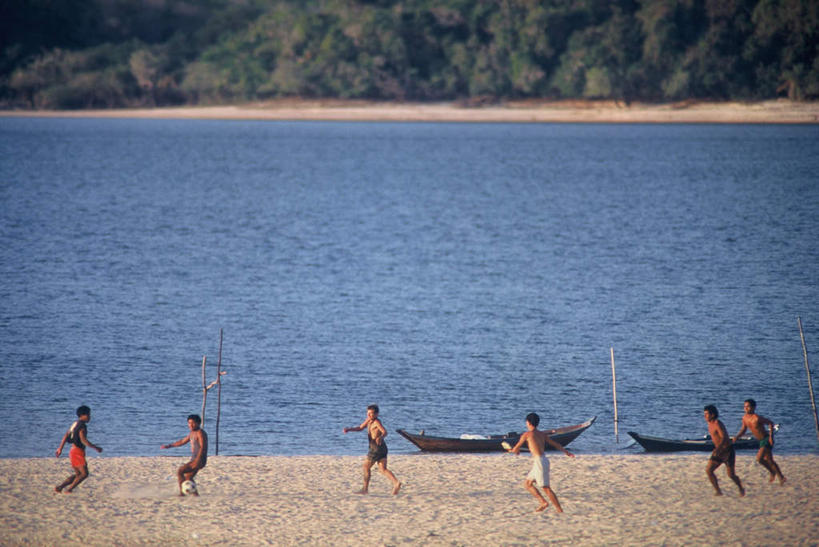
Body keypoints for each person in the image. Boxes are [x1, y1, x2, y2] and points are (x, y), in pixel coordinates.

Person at [506, 412, 575, 513]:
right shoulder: (542, 434)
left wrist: (513, 451)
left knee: (546, 488)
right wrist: (566, 452)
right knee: (527, 484)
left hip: (540, 462)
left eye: (526, 421)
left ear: (528, 422)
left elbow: (516, 449)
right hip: (542, 461)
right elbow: (555, 444)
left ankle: (559, 510)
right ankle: (543, 502)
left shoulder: (526, 435)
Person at [343, 404, 402, 495]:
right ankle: (396, 483)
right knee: (382, 469)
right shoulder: (368, 420)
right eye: (368, 413)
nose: (369, 415)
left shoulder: (377, 422)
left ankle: (365, 489)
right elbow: (360, 428)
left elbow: (385, 432)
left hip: (376, 448)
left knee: (366, 467)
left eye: (371, 414)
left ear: (377, 414)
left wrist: (381, 437)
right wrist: (349, 429)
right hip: (382, 448)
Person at [733, 398, 786, 484]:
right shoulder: (744, 418)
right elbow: (744, 429)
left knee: (759, 459)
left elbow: (770, 423)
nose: (745, 408)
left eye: (748, 407)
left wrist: (771, 437)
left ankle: (774, 472)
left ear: (753, 408)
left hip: (766, 439)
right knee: (770, 460)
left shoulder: (757, 418)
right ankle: (781, 477)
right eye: (744, 407)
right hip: (760, 441)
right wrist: (737, 436)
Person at [55, 405, 102, 493]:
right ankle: (69, 489)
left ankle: (60, 487)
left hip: (72, 451)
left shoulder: (75, 424)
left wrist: (60, 448)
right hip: (78, 452)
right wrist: (96, 448)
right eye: (88, 415)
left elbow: (66, 435)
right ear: (83, 415)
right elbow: (84, 441)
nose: (90, 417)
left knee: (78, 474)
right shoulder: (82, 426)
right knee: (84, 474)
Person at [161, 414, 208, 496]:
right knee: (188, 477)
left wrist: (198, 459)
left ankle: (182, 493)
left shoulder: (200, 433)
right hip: (195, 458)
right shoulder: (192, 433)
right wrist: (170, 446)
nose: (191, 425)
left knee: (180, 471)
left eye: (193, 423)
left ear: (198, 423)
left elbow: (203, 446)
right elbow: (182, 441)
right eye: (189, 423)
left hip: (199, 459)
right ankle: (195, 495)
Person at [703, 404, 744, 497]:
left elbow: (724, 438)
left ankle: (741, 488)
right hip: (718, 451)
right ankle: (718, 491)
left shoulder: (717, 423)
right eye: (704, 414)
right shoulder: (710, 424)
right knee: (709, 470)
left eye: (707, 414)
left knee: (731, 475)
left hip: (727, 451)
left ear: (713, 415)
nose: (705, 416)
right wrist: (717, 449)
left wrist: (718, 449)